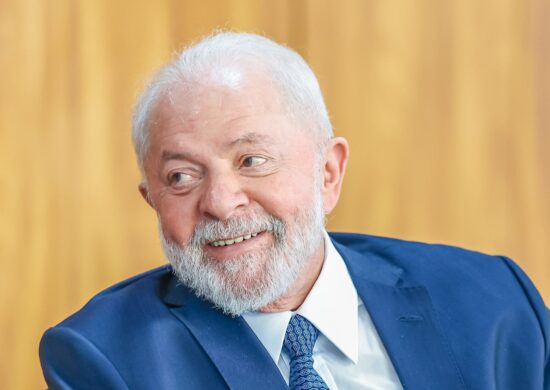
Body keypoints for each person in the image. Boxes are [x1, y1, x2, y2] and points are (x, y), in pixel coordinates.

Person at [39, 32, 549, 390]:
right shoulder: (105, 357)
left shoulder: (497, 303)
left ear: (328, 173)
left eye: (252, 160)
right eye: (181, 177)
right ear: (152, 201)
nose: (220, 202)